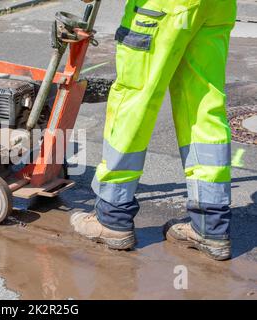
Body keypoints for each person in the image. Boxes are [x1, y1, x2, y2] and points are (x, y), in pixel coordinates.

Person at [71, 0, 237, 261]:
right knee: (204, 108)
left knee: (134, 105)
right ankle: (210, 225)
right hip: (216, 7)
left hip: (164, 8)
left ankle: (112, 217)